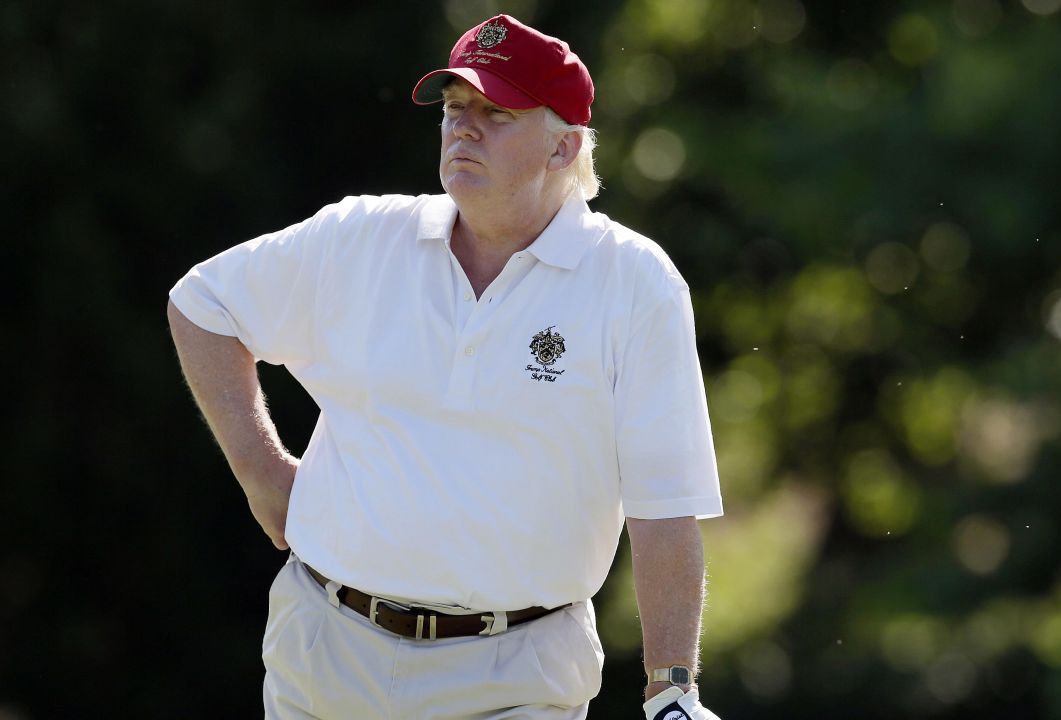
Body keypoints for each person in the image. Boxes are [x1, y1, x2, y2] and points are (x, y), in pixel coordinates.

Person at [167, 13, 723, 720]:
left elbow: (665, 507)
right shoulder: (361, 236)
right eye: (456, 109)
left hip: (516, 673)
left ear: (565, 149)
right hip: (326, 651)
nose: (464, 128)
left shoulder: (634, 282)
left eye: (495, 112)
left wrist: (671, 688)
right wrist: (260, 470)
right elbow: (203, 306)